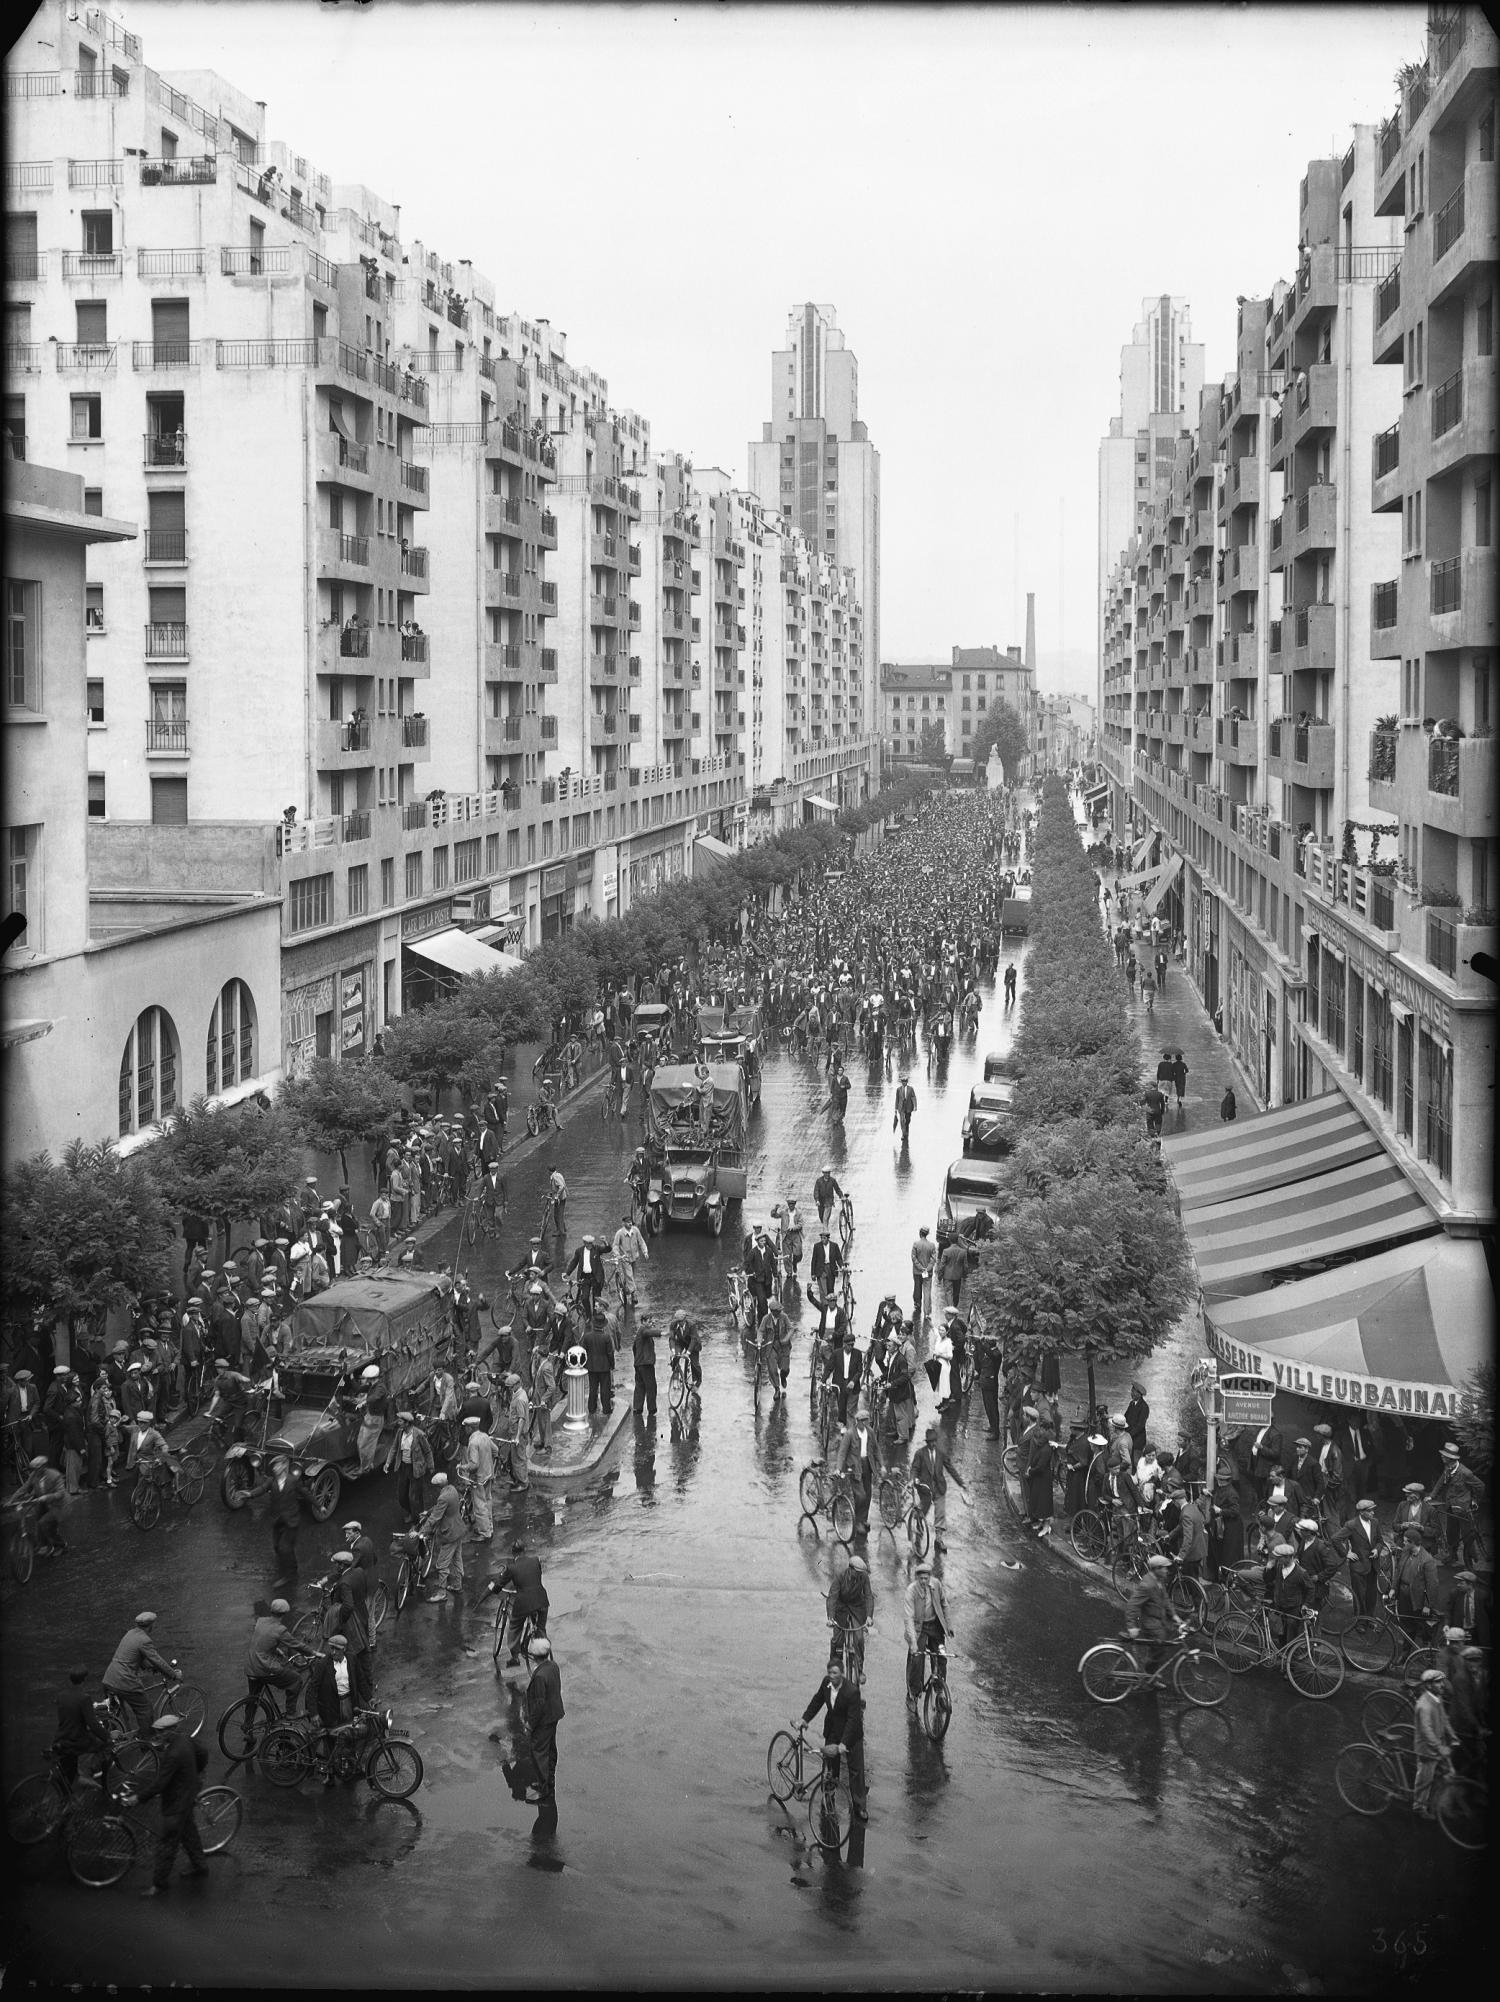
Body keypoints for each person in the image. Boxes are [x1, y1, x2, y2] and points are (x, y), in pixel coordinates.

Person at [130, 1713, 209, 1897]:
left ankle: (159, 1884)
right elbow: (202, 1753)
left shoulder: (173, 1754)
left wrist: (138, 1798)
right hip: (188, 1794)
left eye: (161, 1732)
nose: (158, 1735)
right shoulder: (185, 1739)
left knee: (167, 1843)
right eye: (157, 1731)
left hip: (176, 1803)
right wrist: (196, 1773)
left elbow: (159, 1784)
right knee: (189, 1832)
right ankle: (200, 1866)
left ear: (171, 1730)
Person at [798, 1656, 867, 1822]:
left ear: (842, 1674)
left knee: (856, 1771)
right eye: (829, 1672)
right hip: (833, 1730)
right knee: (830, 1768)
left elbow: (853, 1720)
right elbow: (817, 1700)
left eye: (835, 1673)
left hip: (851, 1735)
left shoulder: (852, 1692)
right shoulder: (826, 1684)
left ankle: (859, 1805)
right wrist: (805, 1719)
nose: (832, 1675)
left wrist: (844, 1743)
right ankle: (828, 1796)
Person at [103, 1611, 177, 1738]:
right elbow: (156, 1660)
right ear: (151, 1625)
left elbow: (138, 1658)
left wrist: (154, 1668)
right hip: (124, 1681)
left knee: (116, 1708)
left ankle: (116, 1734)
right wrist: (173, 1675)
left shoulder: (130, 1634)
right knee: (145, 1710)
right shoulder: (144, 1640)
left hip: (109, 1678)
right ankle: (147, 1743)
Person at [516, 1635, 564, 1806]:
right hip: (554, 1714)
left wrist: (530, 1725)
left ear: (534, 1656)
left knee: (539, 1752)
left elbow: (538, 1704)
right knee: (550, 1749)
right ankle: (549, 1780)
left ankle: (543, 1789)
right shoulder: (553, 1666)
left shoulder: (539, 1677)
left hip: (543, 1720)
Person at [488, 1539, 549, 1665]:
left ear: (513, 1553)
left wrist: (494, 1589)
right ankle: (544, 1651)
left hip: (524, 1602)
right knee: (541, 1628)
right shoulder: (535, 1560)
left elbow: (500, 1585)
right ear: (524, 1550)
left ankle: (515, 1657)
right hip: (542, 1599)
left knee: (515, 1626)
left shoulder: (511, 1568)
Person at [902, 1557, 952, 1706]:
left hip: (935, 1626)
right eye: (921, 1578)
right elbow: (908, 1618)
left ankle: (939, 1692)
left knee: (941, 1658)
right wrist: (913, 1642)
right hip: (919, 1628)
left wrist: (948, 1626)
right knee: (917, 1659)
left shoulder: (936, 1585)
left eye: (926, 1578)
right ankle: (913, 1693)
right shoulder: (911, 1591)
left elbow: (944, 1605)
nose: (924, 1581)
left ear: (930, 1577)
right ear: (917, 1578)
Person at [911, 1422, 966, 1555]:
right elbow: (914, 1468)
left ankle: (939, 1539)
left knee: (940, 1513)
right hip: (925, 1489)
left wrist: (960, 1482)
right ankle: (918, 1522)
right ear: (927, 1442)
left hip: (939, 1488)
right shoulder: (920, 1453)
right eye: (930, 1442)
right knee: (923, 1510)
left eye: (934, 1441)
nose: (933, 1444)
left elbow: (950, 1468)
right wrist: (914, 1479)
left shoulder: (941, 1453)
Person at [1412, 1669, 1459, 1821]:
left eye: (1442, 1681)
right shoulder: (1424, 1705)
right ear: (1428, 1685)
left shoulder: (1437, 1698)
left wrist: (1452, 1736)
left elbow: (1444, 1719)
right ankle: (1419, 1807)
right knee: (1424, 1778)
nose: (1442, 1685)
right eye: (1438, 1682)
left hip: (1438, 1745)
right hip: (1427, 1749)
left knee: (1447, 1772)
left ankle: (1441, 1804)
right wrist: (1440, 1747)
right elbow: (1426, 1731)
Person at [243, 1598, 307, 1705]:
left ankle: (248, 1721)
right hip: (263, 1667)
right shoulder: (280, 1629)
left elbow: (262, 1642)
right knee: (295, 1680)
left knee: (253, 1698)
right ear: (284, 1613)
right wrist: (314, 1653)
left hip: (250, 1666)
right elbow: (296, 1644)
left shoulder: (260, 1621)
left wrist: (276, 1649)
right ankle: (291, 1713)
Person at [55, 1665, 110, 1789]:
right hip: (76, 1739)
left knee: (68, 1774)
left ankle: (66, 1800)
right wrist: (107, 1736)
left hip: (61, 1737)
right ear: (84, 1680)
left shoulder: (61, 1695)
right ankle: (91, 1772)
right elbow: (93, 1724)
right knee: (106, 1746)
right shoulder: (84, 1698)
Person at [419, 1470, 466, 1602]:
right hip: (458, 1530)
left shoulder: (443, 1497)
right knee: (457, 1559)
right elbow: (439, 1508)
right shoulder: (452, 1490)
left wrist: (421, 1532)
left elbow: (436, 1517)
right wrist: (428, 1512)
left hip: (449, 1534)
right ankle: (457, 1585)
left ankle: (441, 1593)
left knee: (442, 1564)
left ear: (438, 1486)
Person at [832, 1400, 878, 1535]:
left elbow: (876, 1449)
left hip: (867, 1465)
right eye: (863, 1421)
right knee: (861, 1495)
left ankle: (863, 1519)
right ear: (857, 1421)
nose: (866, 1423)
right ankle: (857, 1522)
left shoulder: (870, 1432)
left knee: (868, 1495)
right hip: (853, 1467)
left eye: (867, 1420)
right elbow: (842, 1452)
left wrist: (880, 1465)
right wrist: (839, 1468)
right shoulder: (850, 1434)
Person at [1336, 1497, 1386, 1617]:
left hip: (1373, 1565)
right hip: (1358, 1566)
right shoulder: (1352, 1525)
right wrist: (1346, 1553)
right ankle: (1360, 1620)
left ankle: (1370, 1617)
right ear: (1362, 1512)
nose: (1373, 1513)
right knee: (1359, 1595)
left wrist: (1377, 1549)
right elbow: (1335, 1539)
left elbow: (1380, 1541)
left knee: (1371, 1594)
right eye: (1370, 1511)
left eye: (1373, 1510)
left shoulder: (1375, 1522)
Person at [1393, 1525, 1442, 1648]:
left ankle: (1427, 1651)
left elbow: (1432, 1586)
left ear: (1412, 1543)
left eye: (1405, 1541)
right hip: (1403, 1595)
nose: (1403, 1543)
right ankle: (1406, 1650)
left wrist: (1427, 1605)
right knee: (1405, 1623)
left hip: (1416, 1598)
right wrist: (1393, 1589)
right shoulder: (1405, 1552)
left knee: (1421, 1626)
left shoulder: (1427, 1560)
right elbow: (1398, 1572)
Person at [384, 1408, 434, 1524]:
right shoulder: (400, 1432)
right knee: (402, 1496)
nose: (398, 1422)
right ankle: (412, 1512)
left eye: (400, 1421)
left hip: (415, 1469)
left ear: (407, 1423)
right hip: (403, 1468)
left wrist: (431, 1466)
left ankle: (417, 1519)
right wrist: (387, 1463)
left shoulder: (419, 1435)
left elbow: (427, 1451)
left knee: (414, 1497)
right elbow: (394, 1448)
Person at [1261, 1541, 1315, 1646]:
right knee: (1280, 1633)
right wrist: (1268, 1569)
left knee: (1291, 1635)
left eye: (1279, 1557)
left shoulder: (1301, 1573)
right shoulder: (1278, 1566)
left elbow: (1310, 1589)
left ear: (1287, 1557)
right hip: (1279, 1606)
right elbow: (1267, 1580)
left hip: (1293, 1609)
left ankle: (1289, 1657)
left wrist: (1306, 1604)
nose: (1276, 1559)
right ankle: (1283, 1652)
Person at [461, 1415, 496, 1541]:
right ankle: (489, 1527)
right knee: (488, 1501)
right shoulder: (485, 1436)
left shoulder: (473, 1442)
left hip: (479, 1479)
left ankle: (484, 1533)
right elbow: (495, 1450)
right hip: (488, 1475)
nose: (465, 1430)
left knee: (480, 1506)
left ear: (470, 1428)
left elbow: (474, 1465)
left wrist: (463, 1467)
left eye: (466, 1427)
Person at [632, 1315, 659, 1420]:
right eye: (649, 1321)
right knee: (651, 1387)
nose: (650, 1323)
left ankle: (637, 1408)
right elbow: (649, 1332)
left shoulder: (640, 1331)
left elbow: (634, 1347)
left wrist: (637, 1359)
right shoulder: (644, 1330)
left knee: (640, 1386)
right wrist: (661, 1333)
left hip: (639, 1364)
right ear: (643, 1321)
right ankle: (652, 1410)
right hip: (646, 1364)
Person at [910, 1226, 936, 1322]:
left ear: (920, 1233)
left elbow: (913, 1258)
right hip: (927, 1273)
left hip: (917, 1272)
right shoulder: (932, 1245)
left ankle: (917, 1305)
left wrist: (920, 1268)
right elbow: (933, 1259)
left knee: (917, 1288)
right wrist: (927, 1268)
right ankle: (927, 1312)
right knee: (927, 1291)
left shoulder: (916, 1244)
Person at [893, 1073, 917, 1144]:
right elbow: (897, 1099)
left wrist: (915, 1106)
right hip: (901, 1108)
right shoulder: (898, 1089)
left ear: (907, 1082)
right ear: (901, 1082)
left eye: (905, 1081)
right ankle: (903, 1134)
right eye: (903, 1082)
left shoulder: (911, 1089)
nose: (904, 1083)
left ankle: (906, 1128)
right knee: (902, 1121)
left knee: (908, 1120)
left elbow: (913, 1097)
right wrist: (895, 1108)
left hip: (909, 1107)